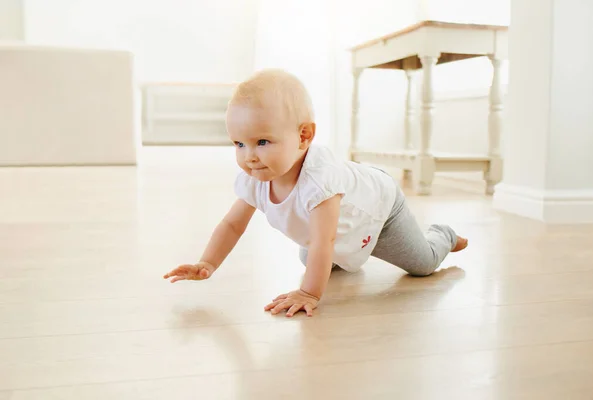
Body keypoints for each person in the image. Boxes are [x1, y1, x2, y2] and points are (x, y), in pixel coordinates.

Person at [163, 69, 468, 318]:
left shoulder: (319, 181)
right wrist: (208, 263)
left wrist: (309, 292)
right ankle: (347, 257)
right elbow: (232, 225)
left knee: (423, 264)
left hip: (379, 213)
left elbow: (325, 240)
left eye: (262, 142)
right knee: (310, 255)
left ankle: (443, 234)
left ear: (303, 136)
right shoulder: (257, 177)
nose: (249, 156)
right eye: (239, 144)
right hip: (339, 230)